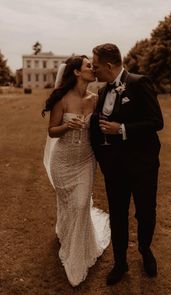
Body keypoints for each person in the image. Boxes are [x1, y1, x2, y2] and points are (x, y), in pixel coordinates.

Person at [90, 43, 164, 285]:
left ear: (109, 66)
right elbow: (97, 129)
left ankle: (145, 250)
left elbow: (156, 122)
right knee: (117, 216)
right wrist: (103, 161)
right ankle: (120, 262)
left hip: (143, 165)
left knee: (145, 212)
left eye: (96, 66)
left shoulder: (139, 83)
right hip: (115, 169)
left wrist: (122, 129)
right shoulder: (102, 92)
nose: (94, 70)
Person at [42, 55, 110, 287]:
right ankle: (66, 231)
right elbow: (52, 131)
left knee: (81, 205)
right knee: (69, 204)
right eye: (88, 66)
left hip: (85, 160)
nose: (93, 68)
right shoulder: (62, 98)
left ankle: (76, 258)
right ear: (76, 73)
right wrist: (66, 125)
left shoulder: (96, 98)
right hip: (62, 161)